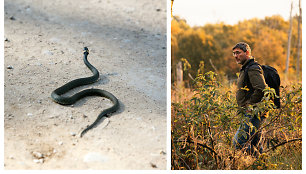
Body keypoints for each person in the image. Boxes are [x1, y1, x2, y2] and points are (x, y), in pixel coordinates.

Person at [232, 42, 267, 156]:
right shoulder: (246, 68)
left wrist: (250, 106)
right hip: (252, 112)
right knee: (255, 143)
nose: (236, 56)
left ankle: (260, 161)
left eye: (238, 53)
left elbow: (261, 89)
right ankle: (263, 166)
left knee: (238, 142)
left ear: (247, 53)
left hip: (253, 112)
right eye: (234, 53)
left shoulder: (252, 68)